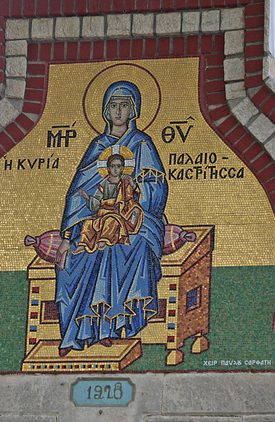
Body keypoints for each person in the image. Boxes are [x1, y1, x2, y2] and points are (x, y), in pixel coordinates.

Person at [55, 81, 168, 356]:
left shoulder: (142, 144)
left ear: (134, 110)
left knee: (130, 248)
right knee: (74, 259)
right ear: (106, 111)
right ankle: (82, 331)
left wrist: (138, 191)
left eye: (125, 105)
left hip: (134, 219)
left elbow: (157, 185)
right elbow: (79, 194)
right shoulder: (98, 147)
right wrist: (69, 238)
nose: (119, 112)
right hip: (98, 219)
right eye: (114, 106)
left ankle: (114, 325)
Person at [73, 153, 144, 255]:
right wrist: (87, 197)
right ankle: (83, 245)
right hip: (102, 213)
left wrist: (132, 184)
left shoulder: (125, 183)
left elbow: (130, 200)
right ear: (108, 169)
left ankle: (104, 240)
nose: (115, 169)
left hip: (117, 213)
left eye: (118, 166)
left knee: (111, 221)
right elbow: (96, 203)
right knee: (88, 223)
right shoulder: (103, 183)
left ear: (122, 168)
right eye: (112, 166)